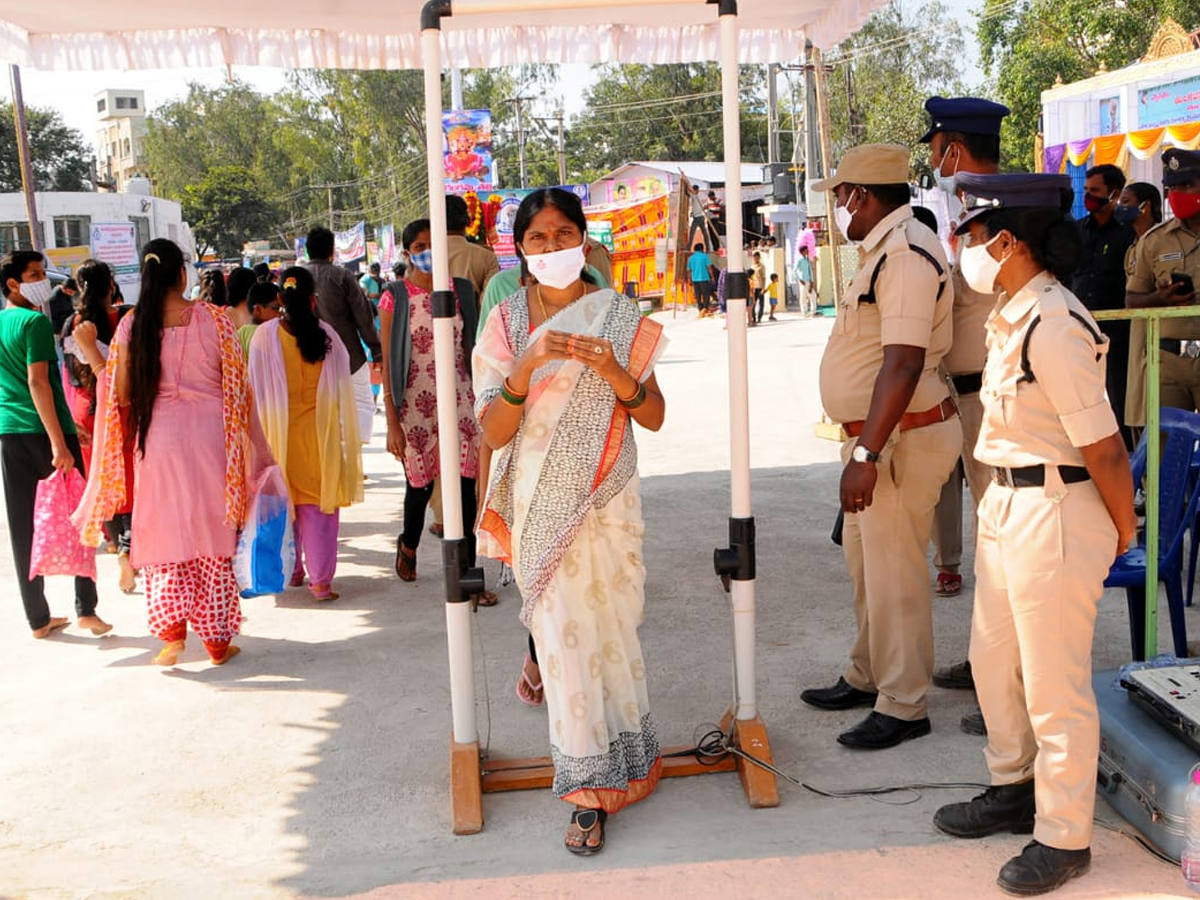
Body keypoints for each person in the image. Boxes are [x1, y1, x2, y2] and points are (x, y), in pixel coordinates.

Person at [932, 172, 1135, 897]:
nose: (967, 251)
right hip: (1008, 503)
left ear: (1010, 241)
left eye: (974, 237)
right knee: (994, 662)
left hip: (1057, 508)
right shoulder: (1013, 311)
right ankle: (1012, 785)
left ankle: (1064, 836)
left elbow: (1106, 448)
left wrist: (1123, 528)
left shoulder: (1054, 322)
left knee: (1054, 685)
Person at [474, 187, 667, 855]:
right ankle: (586, 792)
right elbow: (492, 431)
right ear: (519, 250)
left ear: (584, 239)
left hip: (608, 503)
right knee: (562, 643)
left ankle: (627, 760)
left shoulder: (617, 315)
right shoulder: (503, 323)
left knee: (611, 631)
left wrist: (617, 373)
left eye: (563, 234)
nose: (552, 247)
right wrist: (525, 367)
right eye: (538, 238)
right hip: (539, 507)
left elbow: (653, 413)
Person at [801, 143, 960, 750]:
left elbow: (902, 362)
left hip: (901, 440)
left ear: (861, 195)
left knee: (895, 572)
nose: (839, 207)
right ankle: (868, 674)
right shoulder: (882, 251)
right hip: (875, 439)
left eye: (840, 196)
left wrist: (866, 455)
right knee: (867, 567)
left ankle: (904, 702)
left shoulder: (909, 255)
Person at [84, 238, 268, 667]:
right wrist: (258, 444)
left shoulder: (133, 325)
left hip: (159, 441)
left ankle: (172, 638)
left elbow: (124, 394)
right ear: (182, 273)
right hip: (210, 441)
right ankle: (218, 641)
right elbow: (238, 388)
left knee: (167, 534)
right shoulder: (215, 320)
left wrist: (97, 363)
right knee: (211, 536)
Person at [918, 96, 1009, 715]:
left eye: (935, 145)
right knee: (988, 541)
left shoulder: (1005, 208)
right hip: (964, 391)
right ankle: (987, 661)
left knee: (1003, 543)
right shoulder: (966, 205)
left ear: (951, 145)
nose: (931, 157)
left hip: (994, 394)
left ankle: (1007, 684)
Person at [379, 219, 493, 604]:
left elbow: (474, 346)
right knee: (420, 486)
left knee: (466, 491)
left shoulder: (460, 291)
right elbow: (389, 363)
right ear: (408, 251)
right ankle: (409, 544)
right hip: (415, 407)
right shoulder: (394, 296)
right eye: (421, 245)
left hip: (461, 401)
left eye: (434, 244)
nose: (429, 251)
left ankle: (468, 579)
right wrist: (392, 422)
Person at [0, 250, 109, 639]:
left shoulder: (2, 322)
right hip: (43, 433)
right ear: (13, 283)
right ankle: (87, 608)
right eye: (34, 274)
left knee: (21, 523)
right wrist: (58, 441)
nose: (42, 279)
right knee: (82, 512)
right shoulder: (33, 322)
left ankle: (38, 618)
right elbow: (38, 383)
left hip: (9, 431)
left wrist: (67, 427)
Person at [249, 267, 362, 601]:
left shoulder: (264, 337)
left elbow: (253, 391)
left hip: (277, 438)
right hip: (318, 439)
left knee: (288, 508)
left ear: (280, 298)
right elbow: (343, 383)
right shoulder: (326, 335)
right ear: (314, 299)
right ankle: (321, 583)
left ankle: (293, 571)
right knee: (319, 513)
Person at [60, 259, 138, 594]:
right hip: (123, 407)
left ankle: (112, 540)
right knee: (133, 479)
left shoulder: (73, 324)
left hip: (85, 411)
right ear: (111, 285)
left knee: (101, 478)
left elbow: (70, 377)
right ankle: (128, 547)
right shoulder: (126, 318)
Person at [1126, 148, 1200, 413]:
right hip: (1168, 364)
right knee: (1168, 449)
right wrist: (1159, 298)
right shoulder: (1154, 241)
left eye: (1188, 185)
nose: (1178, 194)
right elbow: (1132, 300)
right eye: (1172, 188)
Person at [1071, 163, 1136, 448]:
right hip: (1078, 334)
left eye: (1095, 191)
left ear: (1114, 193)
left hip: (1118, 336)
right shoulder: (1076, 231)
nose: (1088, 197)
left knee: (1120, 405)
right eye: (1086, 190)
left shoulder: (1128, 234)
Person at [302, 226, 382, 445]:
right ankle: (353, 459)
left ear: (308, 251)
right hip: (349, 354)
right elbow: (363, 316)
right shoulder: (341, 276)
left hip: (307, 356)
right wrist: (377, 351)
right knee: (362, 403)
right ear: (332, 250)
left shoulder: (297, 278)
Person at [1116, 182, 1163, 440]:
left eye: (1126, 202)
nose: (1120, 208)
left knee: (1151, 413)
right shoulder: (1134, 244)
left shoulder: (1160, 241)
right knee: (1136, 411)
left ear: (1144, 207)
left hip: (1155, 341)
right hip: (1135, 338)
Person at [446, 194, 501, 299]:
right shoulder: (487, 257)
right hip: (474, 314)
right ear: (467, 221)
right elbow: (488, 302)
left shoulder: (424, 255)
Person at [238, 281, 283, 356]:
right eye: (276, 308)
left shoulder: (240, 333)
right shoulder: (265, 335)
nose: (280, 314)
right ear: (258, 309)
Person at [687, 243, 715, 317]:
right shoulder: (705, 256)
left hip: (695, 279)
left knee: (698, 294)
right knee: (706, 294)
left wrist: (689, 279)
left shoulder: (691, 258)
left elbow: (689, 270)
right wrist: (712, 277)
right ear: (702, 249)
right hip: (704, 278)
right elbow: (709, 267)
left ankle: (700, 308)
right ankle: (705, 308)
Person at [794, 246, 817, 316]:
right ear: (802, 251)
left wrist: (812, 281)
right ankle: (804, 311)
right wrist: (799, 279)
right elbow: (794, 271)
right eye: (806, 250)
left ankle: (813, 311)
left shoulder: (807, 259)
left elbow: (810, 271)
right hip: (803, 281)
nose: (807, 251)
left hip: (809, 280)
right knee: (803, 297)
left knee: (813, 295)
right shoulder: (799, 260)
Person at [749, 251, 766, 325]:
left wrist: (763, 287)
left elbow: (763, 277)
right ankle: (753, 318)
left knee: (761, 303)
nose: (755, 258)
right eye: (754, 257)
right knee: (753, 303)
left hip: (759, 286)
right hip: (753, 287)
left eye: (757, 257)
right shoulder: (752, 266)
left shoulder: (762, 266)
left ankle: (759, 317)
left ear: (759, 257)